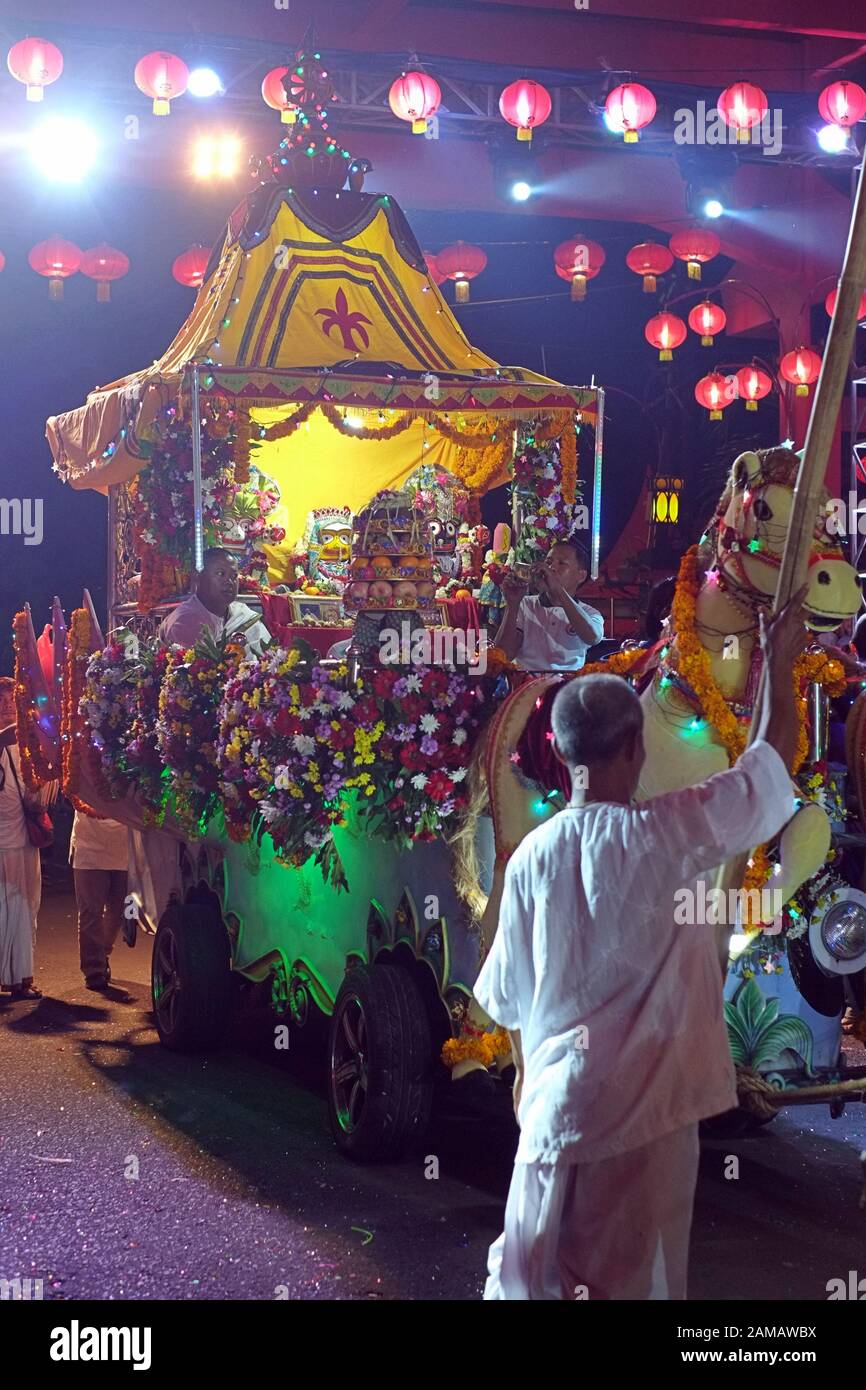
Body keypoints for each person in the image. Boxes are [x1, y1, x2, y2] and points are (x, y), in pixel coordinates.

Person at [475, 589, 808, 1300]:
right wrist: (778, 661)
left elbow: (503, 1000)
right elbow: (766, 770)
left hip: (552, 1117)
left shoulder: (532, 856)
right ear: (636, 746)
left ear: (560, 752)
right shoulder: (667, 835)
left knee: (533, 1286)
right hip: (643, 1125)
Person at [494, 540, 604, 672]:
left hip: (567, 686)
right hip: (527, 684)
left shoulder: (589, 613)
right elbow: (503, 655)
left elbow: (593, 637)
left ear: (581, 576)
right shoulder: (525, 604)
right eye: (548, 562)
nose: (551, 568)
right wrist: (512, 604)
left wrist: (558, 590)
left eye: (562, 563)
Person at [0, 677, 43, 1000]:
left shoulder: (27, 747)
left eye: (10, 700)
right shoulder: (15, 745)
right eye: (1, 702)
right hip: (6, 843)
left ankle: (21, 977)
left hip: (22, 843)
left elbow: (37, 795)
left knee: (24, 909)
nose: (6, 707)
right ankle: (15, 977)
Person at [159, 548, 270, 655]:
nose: (230, 582)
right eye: (220, 574)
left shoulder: (243, 615)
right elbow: (197, 670)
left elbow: (268, 659)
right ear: (198, 577)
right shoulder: (184, 622)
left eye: (234, 576)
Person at [70, 808, 130, 991]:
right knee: (90, 911)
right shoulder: (79, 779)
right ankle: (93, 969)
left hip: (123, 845)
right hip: (89, 844)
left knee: (117, 911)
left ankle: (102, 953)